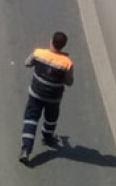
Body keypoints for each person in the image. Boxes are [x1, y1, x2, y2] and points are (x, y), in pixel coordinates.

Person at [20, 31, 75, 164]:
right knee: (51, 119)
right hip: (53, 98)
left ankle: (26, 150)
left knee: (31, 120)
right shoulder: (67, 63)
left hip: (36, 94)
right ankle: (47, 137)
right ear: (63, 46)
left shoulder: (39, 53)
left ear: (51, 41)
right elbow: (69, 82)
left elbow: (27, 63)